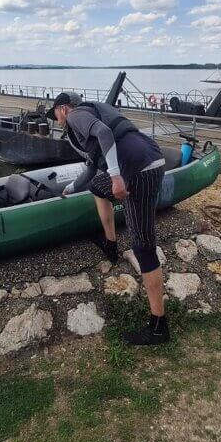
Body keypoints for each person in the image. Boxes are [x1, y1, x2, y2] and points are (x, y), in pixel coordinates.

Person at [46, 92, 169, 345]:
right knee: (96, 187)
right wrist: (70, 188)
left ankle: (159, 327)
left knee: (143, 247)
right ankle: (111, 245)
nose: (55, 119)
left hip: (137, 170)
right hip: (146, 159)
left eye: (55, 113)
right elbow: (92, 166)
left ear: (63, 108)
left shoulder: (77, 115)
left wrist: (115, 176)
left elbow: (104, 134)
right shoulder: (88, 115)